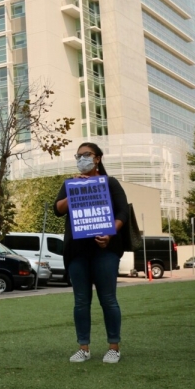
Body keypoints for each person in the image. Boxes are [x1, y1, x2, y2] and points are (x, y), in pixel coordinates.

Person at [54, 142, 129, 364]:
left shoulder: (110, 183)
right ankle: (83, 347)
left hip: (105, 250)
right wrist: (74, 191)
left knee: (108, 299)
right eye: (78, 156)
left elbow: (123, 212)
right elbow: (57, 209)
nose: (81, 159)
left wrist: (110, 234)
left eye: (86, 155)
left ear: (97, 158)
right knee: (80, 301)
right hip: (77, 251)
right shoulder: (71, 184)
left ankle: (113, 347)